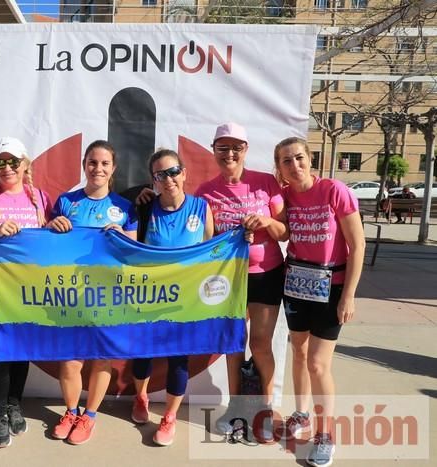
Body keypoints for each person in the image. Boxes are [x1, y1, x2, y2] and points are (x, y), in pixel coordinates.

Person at [194, 123, 288, 441]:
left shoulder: (265, 183)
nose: (230, 154)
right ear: (214, 150)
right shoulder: (205, 192)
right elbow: (204, 240)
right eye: (223, 148)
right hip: (227, 278)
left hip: (266, 274)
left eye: (236, 147)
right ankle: (235, 407)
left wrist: (266, 222)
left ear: (246, 150)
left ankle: (264, 408)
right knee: (234, 345)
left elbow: (284, 230)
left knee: (260, 343)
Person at [274, 137, 365, 467]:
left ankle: (325, 434)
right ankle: (302, 414)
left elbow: (357, 246)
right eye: (286, 161)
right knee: (297, 351)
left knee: (317, 363)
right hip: (296, 283)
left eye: (299, 158)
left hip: (332, 286)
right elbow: (279, 229)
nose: (294, 165)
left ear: (310, 159)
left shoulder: (334, 191)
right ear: (280, 168)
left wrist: (349, 295)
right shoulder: (285, 196)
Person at [46, 140, 138, 445]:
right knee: (70, 360)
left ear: (113, 169)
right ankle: (70, 411)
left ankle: (89, 416)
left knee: (101, 359)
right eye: (93, 162)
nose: (98, 168)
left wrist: (121, 235)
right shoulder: (66, 201)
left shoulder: (125, 207)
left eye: (104, 164)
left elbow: (134, 250)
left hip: (109, 294)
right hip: (70, 293)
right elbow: (46, 243)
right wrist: (51, 224)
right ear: (84, 165)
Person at [0, 136, 52, 448]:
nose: (7, 168)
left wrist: (56, 224)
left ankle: (14, 403)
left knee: (22, 351)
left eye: (13, 161)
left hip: (29, 288)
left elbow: (47, 241)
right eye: (0, 162)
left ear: (25, 164)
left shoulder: (40, 198)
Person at [130, 149, 213, 446]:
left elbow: (210, 255)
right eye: (160, 175)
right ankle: (140, 398)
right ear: (153, 181)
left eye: (173, 171)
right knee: (142, 356)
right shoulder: (143, 208)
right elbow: (129, 243)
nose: (169, 179)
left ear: (185, 172)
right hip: (148, 297)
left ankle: (170, 417)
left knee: (179, 360)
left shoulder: (201, 208)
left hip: (185, 301)